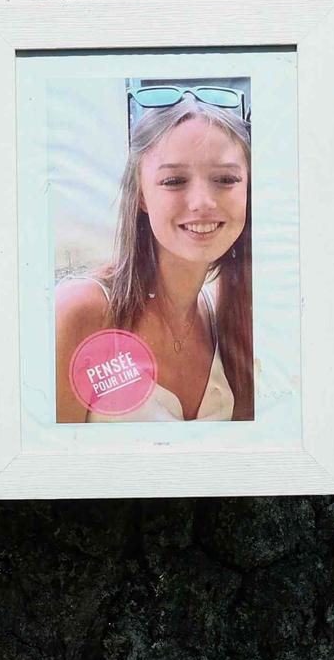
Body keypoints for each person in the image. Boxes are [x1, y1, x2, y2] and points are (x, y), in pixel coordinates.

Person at [52, 88, 255, 423]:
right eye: (174, 180)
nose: (202, 201)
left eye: (225, 179)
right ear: (141, 194)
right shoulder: (80, 312)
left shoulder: (231, 320)